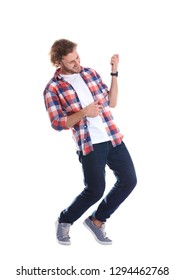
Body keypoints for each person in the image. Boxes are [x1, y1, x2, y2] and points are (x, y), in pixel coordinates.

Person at [43, 39, 137, 245]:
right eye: (71, 61)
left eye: (77, 57)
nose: (77, 62)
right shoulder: (53, 88)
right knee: (95, 190)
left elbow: (112, 102)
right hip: (90, 144)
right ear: (59, 62)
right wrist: (85, 112)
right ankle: (64, 220)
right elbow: (58, 123)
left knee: (129, 180)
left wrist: (114, 72)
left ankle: (97, 221)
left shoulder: (90, 73)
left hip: (112, 136)